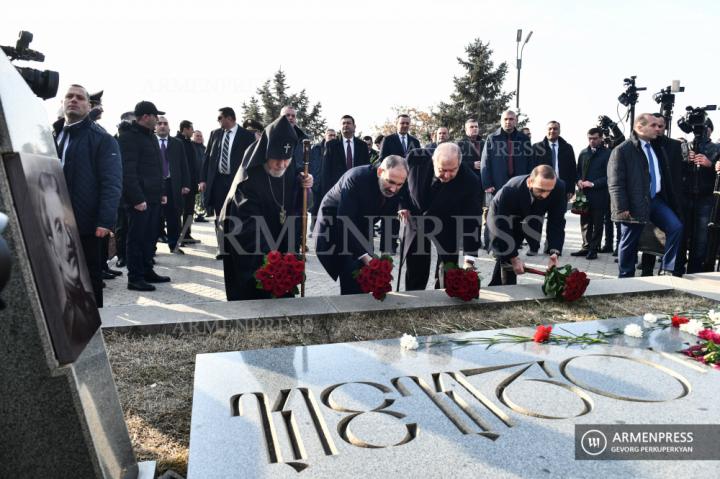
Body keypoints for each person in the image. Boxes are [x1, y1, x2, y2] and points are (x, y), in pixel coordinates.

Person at [218, 115, 313, 301]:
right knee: (255, 295)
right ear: (266, 152)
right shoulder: (249, 175)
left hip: (281, 241)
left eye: (287, 159)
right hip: (252, 246)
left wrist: (306, 186)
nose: (282, 164)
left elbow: (300, 204)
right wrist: (272, 260)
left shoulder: (289, 165)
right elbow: (246, 226)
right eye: (276, 159)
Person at [51, 84, 122, 307]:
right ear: (62, 103)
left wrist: (105, 221)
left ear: (89, 106)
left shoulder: (102, 138)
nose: (74, 100)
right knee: (60, 279)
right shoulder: (54, 134)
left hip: (87, 224)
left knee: (89, 281)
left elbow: (112, 183)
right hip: (54, 220)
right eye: (69, 96)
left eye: (80, 98)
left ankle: (94, 333)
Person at [314, 156, 408, 294]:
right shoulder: (357, 178)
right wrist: (364, 255)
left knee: (365, 273)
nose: (394, 189)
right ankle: (350, 310)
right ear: (380, 171)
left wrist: (386, 254)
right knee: (352, 270)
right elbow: (345, 220)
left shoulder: (397, 181)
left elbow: (390, 218)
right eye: (390, 182)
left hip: (362, 223)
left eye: (399, 184)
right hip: (335, 225)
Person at [608, 113, 683, 278]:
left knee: (676, 227)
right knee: (629, 241)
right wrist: (622, 207)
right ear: (639, 127)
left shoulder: (657, 147)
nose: (658, 129)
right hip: (633, 203)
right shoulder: (622, 150)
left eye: (659, 126)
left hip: (656, 201)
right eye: (653, 125)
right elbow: (615, 183)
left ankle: (667, 270)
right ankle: (625, 277)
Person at [399, 143, 482, 290]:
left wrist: (470, 258)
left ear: (459, 163)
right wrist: (403, 205)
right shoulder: (415, 158)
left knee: (448, 268)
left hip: (447, 222)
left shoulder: (470, 182)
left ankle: (444, 298)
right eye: (442, 170)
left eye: (453, 170)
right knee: (416, 266)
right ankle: (415, 299)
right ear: (433, 160)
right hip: (416, 217)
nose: (447, 175)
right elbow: (401, 181)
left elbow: (472, 220)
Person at [37, 172, 98, 344]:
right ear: (51, 245)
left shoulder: (89, 303)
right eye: (58, 228)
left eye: (66, 224)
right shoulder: (67, 328)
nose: (70, 240)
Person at [117, 101, 170, 291]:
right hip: (139, 201)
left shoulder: (152, 138)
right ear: (146, 117)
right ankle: (135, 278)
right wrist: (137, 199)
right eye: (156, 116)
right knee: (136, 239)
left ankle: (148, 271)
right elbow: (127, 172)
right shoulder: (128, 138)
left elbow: (158, 168)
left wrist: (162, 192)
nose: (158, 120)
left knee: (150, 238)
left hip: (154, 198)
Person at [486, 165, 565, 286]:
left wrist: (554, 252)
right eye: (540, 190)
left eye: (549, 191)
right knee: (506, 252)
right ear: (530, 182)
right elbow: (502, 227)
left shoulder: (558, 188)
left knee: (510, 252)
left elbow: (557, 222)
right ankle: (508, 287)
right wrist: (514, 257)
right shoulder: (511, 190)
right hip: (500, 215)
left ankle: (497, 284)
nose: (544, 196)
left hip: (527, 215)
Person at [200, 107, 256, 258]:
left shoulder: (246, 136)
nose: (218, 121)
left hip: (238, 183)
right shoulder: (215, 134)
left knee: (237, 213)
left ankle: (237, 246)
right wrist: (203, 179)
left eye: (220, 118)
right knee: (220, 214)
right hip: (218, 181)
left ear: (229, 118)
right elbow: (207, 158)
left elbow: (251, 161)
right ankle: (221, 247)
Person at [480, 110, 533, 250]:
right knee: (494, 214)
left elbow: (530, 162)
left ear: (516, 120)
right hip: (498, 183)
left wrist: (530, 182)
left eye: (511, 119)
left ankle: (513, 244)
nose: (508, 122)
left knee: (516, 215)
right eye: (505, 119)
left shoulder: (524, 139)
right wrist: (487, 183)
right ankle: (490, 244)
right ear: (501, 120)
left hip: (519, 184)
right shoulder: (492, 138)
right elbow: (485, 162)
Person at [530, 120, 576, 254]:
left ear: (559, 131)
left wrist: (570, 189)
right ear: (546, 131)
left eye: (555, 129)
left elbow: (572, 169)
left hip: (560, 190)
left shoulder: (567, 148)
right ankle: (533, 247)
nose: (552, 131)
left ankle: (553, 247)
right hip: (541, 189)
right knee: (536, 219)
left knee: (557, 220)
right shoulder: (537, 147)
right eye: (550, 129)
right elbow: (532, 169)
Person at [379, 114, 421, 253]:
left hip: (408, 184)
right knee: (389, 214)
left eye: (407, 123)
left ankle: (400, 244)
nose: (404, 125)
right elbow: (382, 160)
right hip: (392, 183)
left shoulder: (415, 141)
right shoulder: (388, 140)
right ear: (396, 124)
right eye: (402, 123)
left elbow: (419, 162)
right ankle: (387, 246)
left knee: (403, 215)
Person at [571, 128, 610, 260]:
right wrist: (578, 181)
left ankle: (594, 249)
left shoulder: (608, 154)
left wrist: (593, 184)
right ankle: (586, 247)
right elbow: (577, 171)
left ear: (601, 138)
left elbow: (610, 176)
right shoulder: (583, 153)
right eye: (590, 138)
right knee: (585, 222)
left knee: (598, 223)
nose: (592, 141)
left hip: (599, 194)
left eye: (594, 138)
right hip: (583, 194)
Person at [156, 116, 190, 254]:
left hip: (172, 184)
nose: (162, 126)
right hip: (155, 185)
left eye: (165, 124)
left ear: (169, 127)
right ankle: (151, 249)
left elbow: (184, 164)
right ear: (155, 127)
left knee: (174, 216)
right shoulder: (150, 142)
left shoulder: (177, 143)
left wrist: (186, 184)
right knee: (154, 216)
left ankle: (174, 245)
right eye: (159, 124)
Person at [320, 115, 371, 207]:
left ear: (354, 127)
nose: (346, 125)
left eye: (348, 123)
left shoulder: (362, 145)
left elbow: (366, 168)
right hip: (336, 190)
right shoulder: (331, 145)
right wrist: (326, 193)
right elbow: (326, 171)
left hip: (357, 189)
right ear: (340, 127)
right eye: (343, 123)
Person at [114, 112, 136, 268]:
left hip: (136, 190)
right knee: (122, 227)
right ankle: (122, 256)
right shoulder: (115, 140)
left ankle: (134, 256)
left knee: (135, 227)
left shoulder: (138, 140)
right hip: (121, 190)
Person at [175, 119, 201, 244]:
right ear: (185, 129)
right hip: (181, 184)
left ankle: (186, 234)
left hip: (191, 183)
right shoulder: (177, 142)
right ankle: (178, 236)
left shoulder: (188, 142)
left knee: (189, 211)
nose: (192, 131)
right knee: (179, 211)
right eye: (191, 129)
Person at [309, 129, 336, 225]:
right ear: (325, 136)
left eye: (334, 135)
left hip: (329, 183)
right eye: (330, 135)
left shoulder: (337, 149)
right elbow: (309, 164)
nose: (332, 137)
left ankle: (324, 226)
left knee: (327, 206)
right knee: (315, 206)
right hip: (316, 182)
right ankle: (314, 225)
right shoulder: (316, 148)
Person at [191, 130, 207, 222]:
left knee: (201, 198)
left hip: (203, 178)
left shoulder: (205, 148)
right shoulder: (191, 147)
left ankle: (200, 215)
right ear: (193, 137)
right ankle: (194, 214)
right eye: (197, 136)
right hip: (193, 177)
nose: (199, 137)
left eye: (200, 136)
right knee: (194, 198)